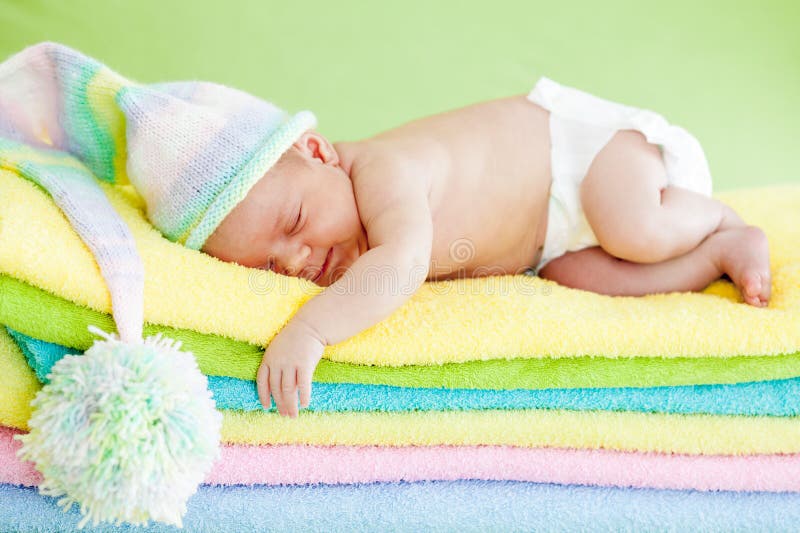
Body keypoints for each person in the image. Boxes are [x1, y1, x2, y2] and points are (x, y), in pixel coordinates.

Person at [201, 77, 771, 418]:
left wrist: (310, 330)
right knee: (585, 277)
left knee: (634, 229)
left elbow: (403, 262)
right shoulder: (342, 230)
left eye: (296, 220)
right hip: (550, 241)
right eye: (273, 265)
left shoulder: (383, 169)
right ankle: (719, 252)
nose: (298, 259)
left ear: (320, 152)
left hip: (584, 159)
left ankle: (717, 216)